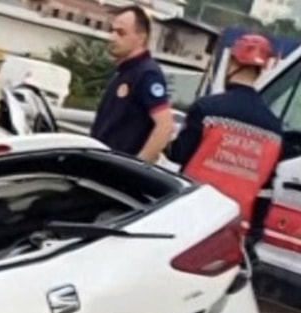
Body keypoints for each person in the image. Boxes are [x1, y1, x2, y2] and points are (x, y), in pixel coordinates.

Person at [165, 34, 283, 256]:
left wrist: (165, 140)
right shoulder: (274, 128)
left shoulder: (207, 108)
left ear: (232, 62)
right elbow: (265, 191)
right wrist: (255, 233)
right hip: (230, 228)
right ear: (261, 70)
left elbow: (179, 153)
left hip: (190, 217)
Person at [90, 5, 175, 163]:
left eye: (121, 33)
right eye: (112, 31)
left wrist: (138, 164)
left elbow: (165, 125)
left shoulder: (147, 74)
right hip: (103, 162)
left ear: (141, 38)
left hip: (118, 168)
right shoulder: (124, 72)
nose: (112, 37)